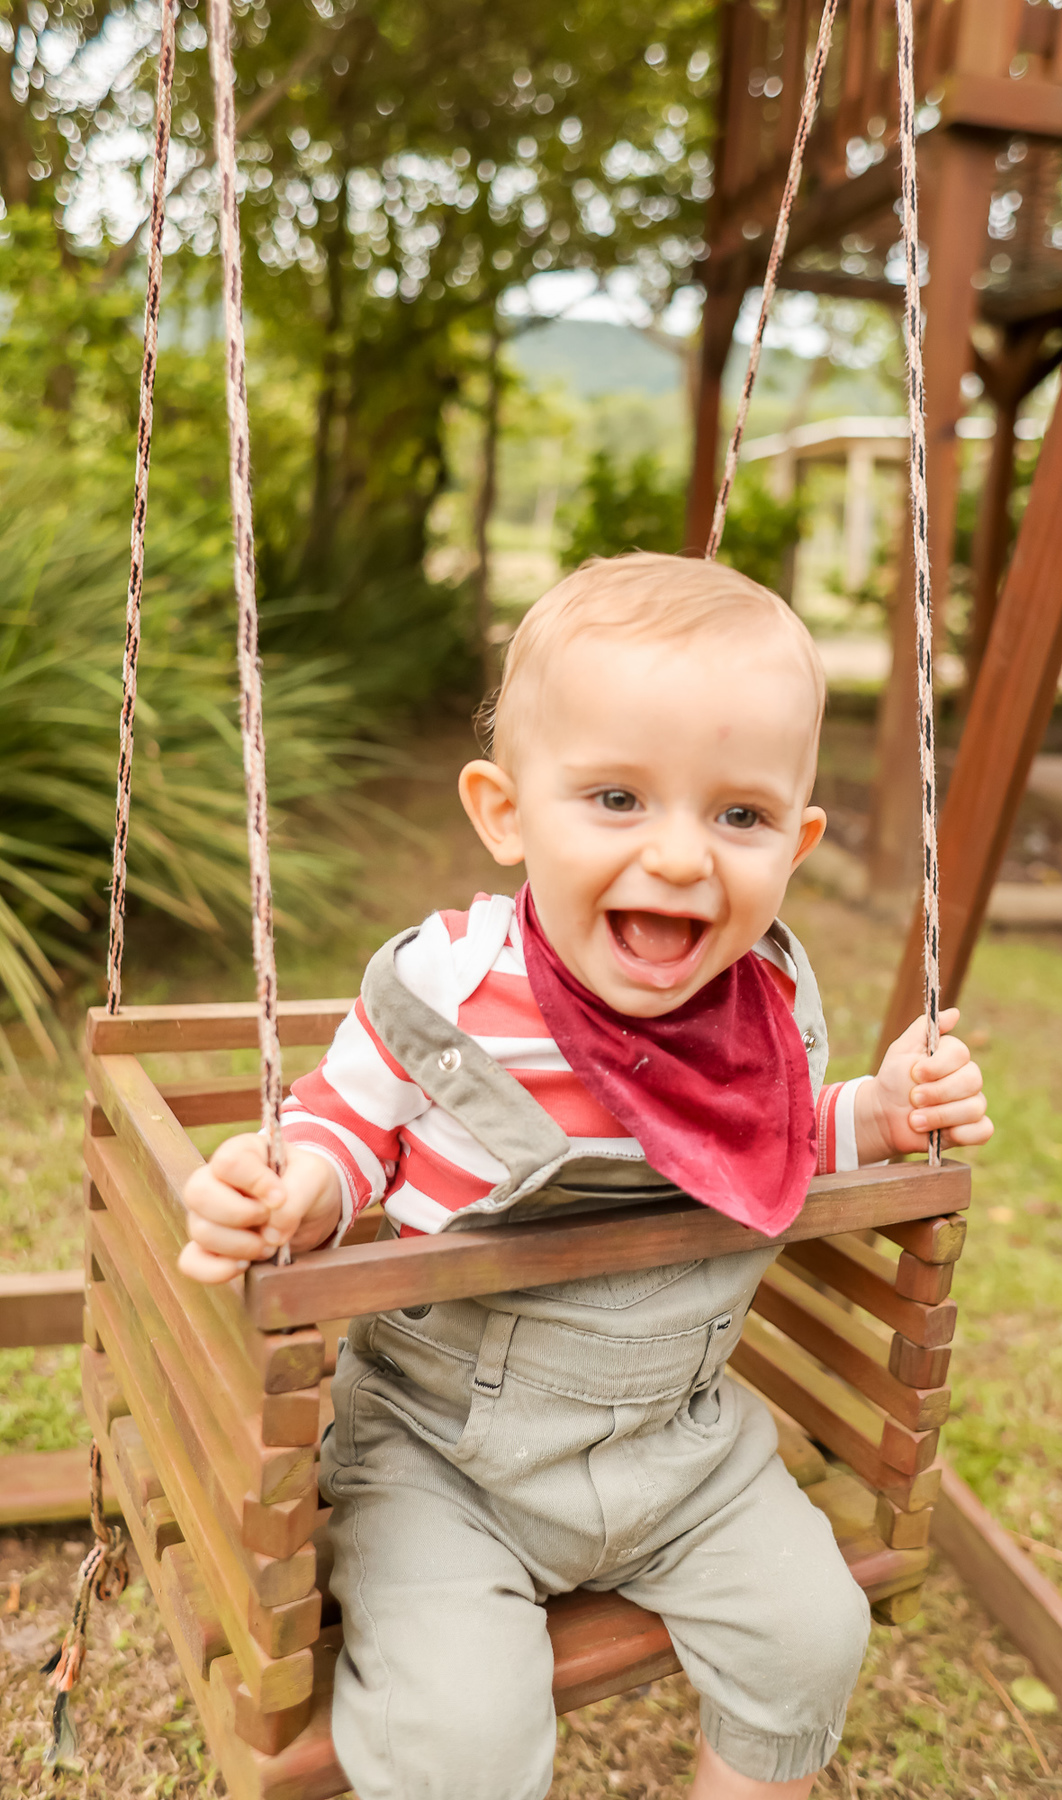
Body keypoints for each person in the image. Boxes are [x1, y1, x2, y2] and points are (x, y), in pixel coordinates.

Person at [180, 553, 992, 1800]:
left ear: (799, 839)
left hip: (679, 1444)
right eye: (617, 798)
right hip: (440, 1457)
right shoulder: (449, 986)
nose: (680, 859)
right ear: (505, 813)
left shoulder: (762, 1000)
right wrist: (294, 1193)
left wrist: (878, 1113)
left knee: (811, 1634)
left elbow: (770, 1140)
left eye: (739, 817)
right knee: (461, 1732)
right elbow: (346, 1133)